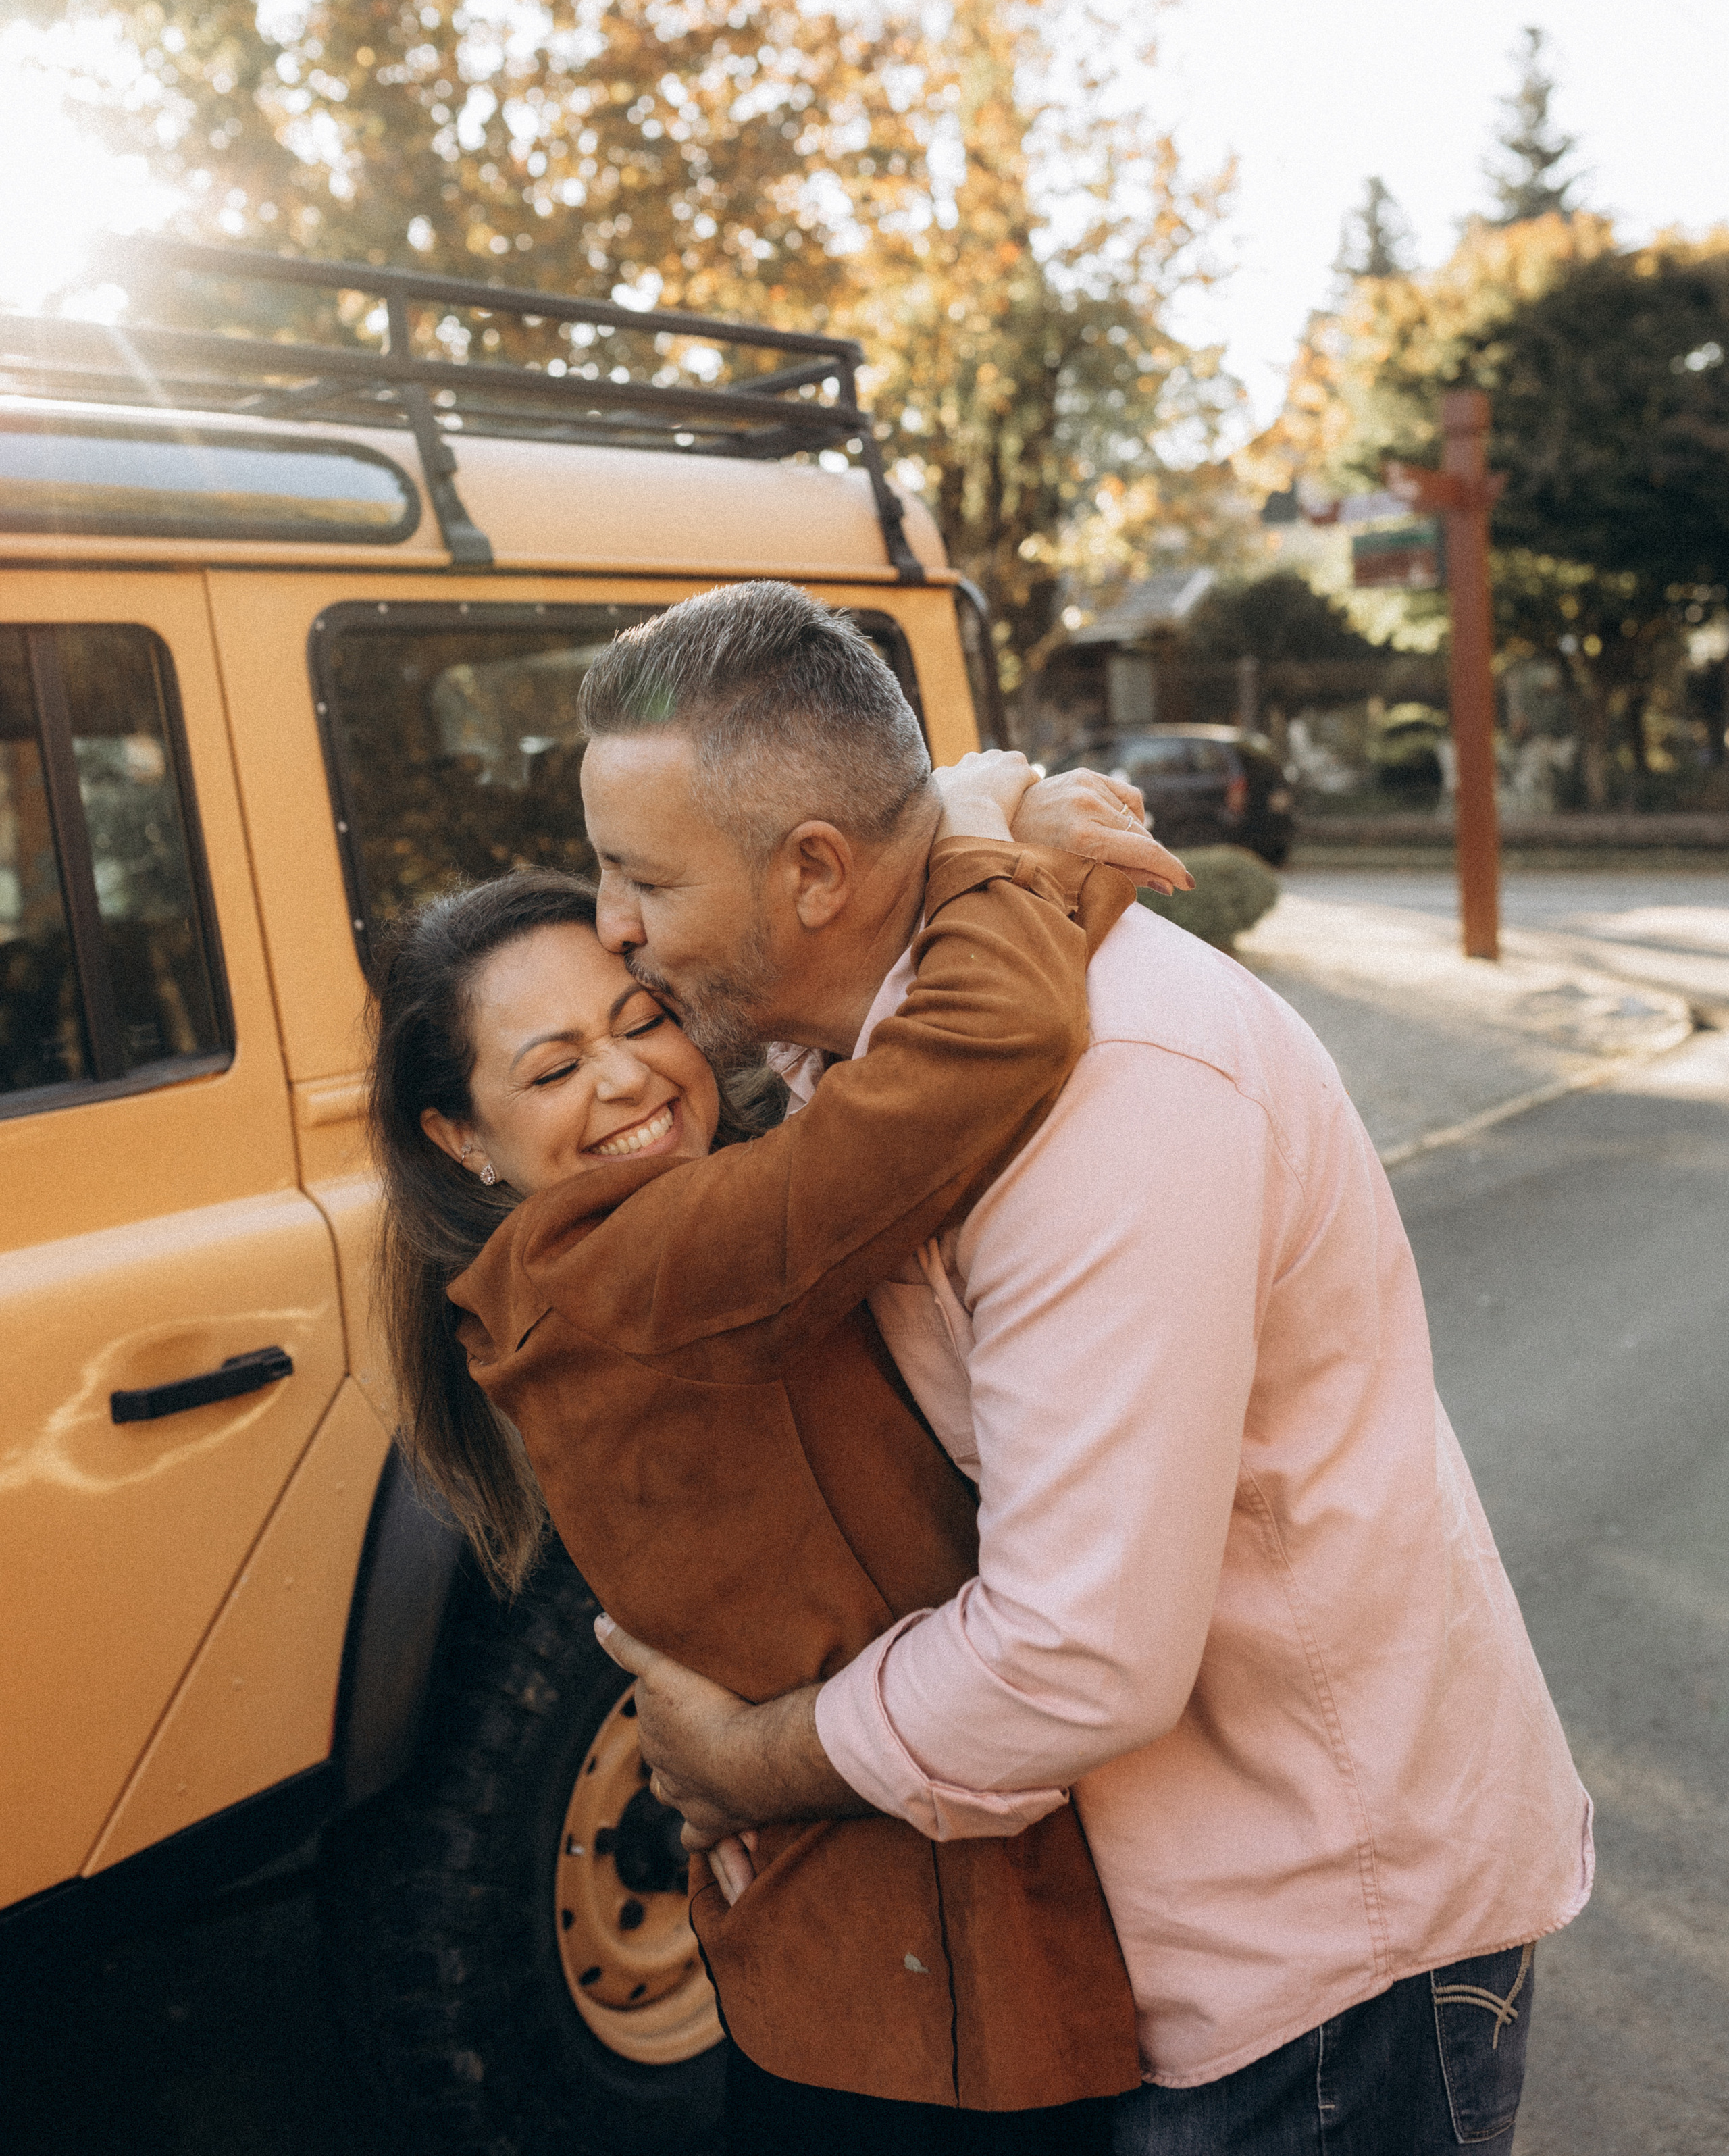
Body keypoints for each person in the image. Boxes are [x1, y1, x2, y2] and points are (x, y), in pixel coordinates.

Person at [571, 582, 1595, 2156]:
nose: (609, 930)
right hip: (1156, 1935)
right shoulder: (882, 1036)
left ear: (819, 874)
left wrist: (749, 1761)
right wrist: (981, 812)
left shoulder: (1108, 1097)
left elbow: (1077, 1654)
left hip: (1315, 1964)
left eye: (639, 877)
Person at [369, 754, 1185, 2149]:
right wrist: (976, 826)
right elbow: (980, 1040)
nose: (625, 1076)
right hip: (922, 1997)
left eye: (643, 1019)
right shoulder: (634, 1266)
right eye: (554, 1068)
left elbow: (911, 1068)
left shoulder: (671, 1236)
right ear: (461, 1139)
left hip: (864, 1956)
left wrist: (1030, 867)